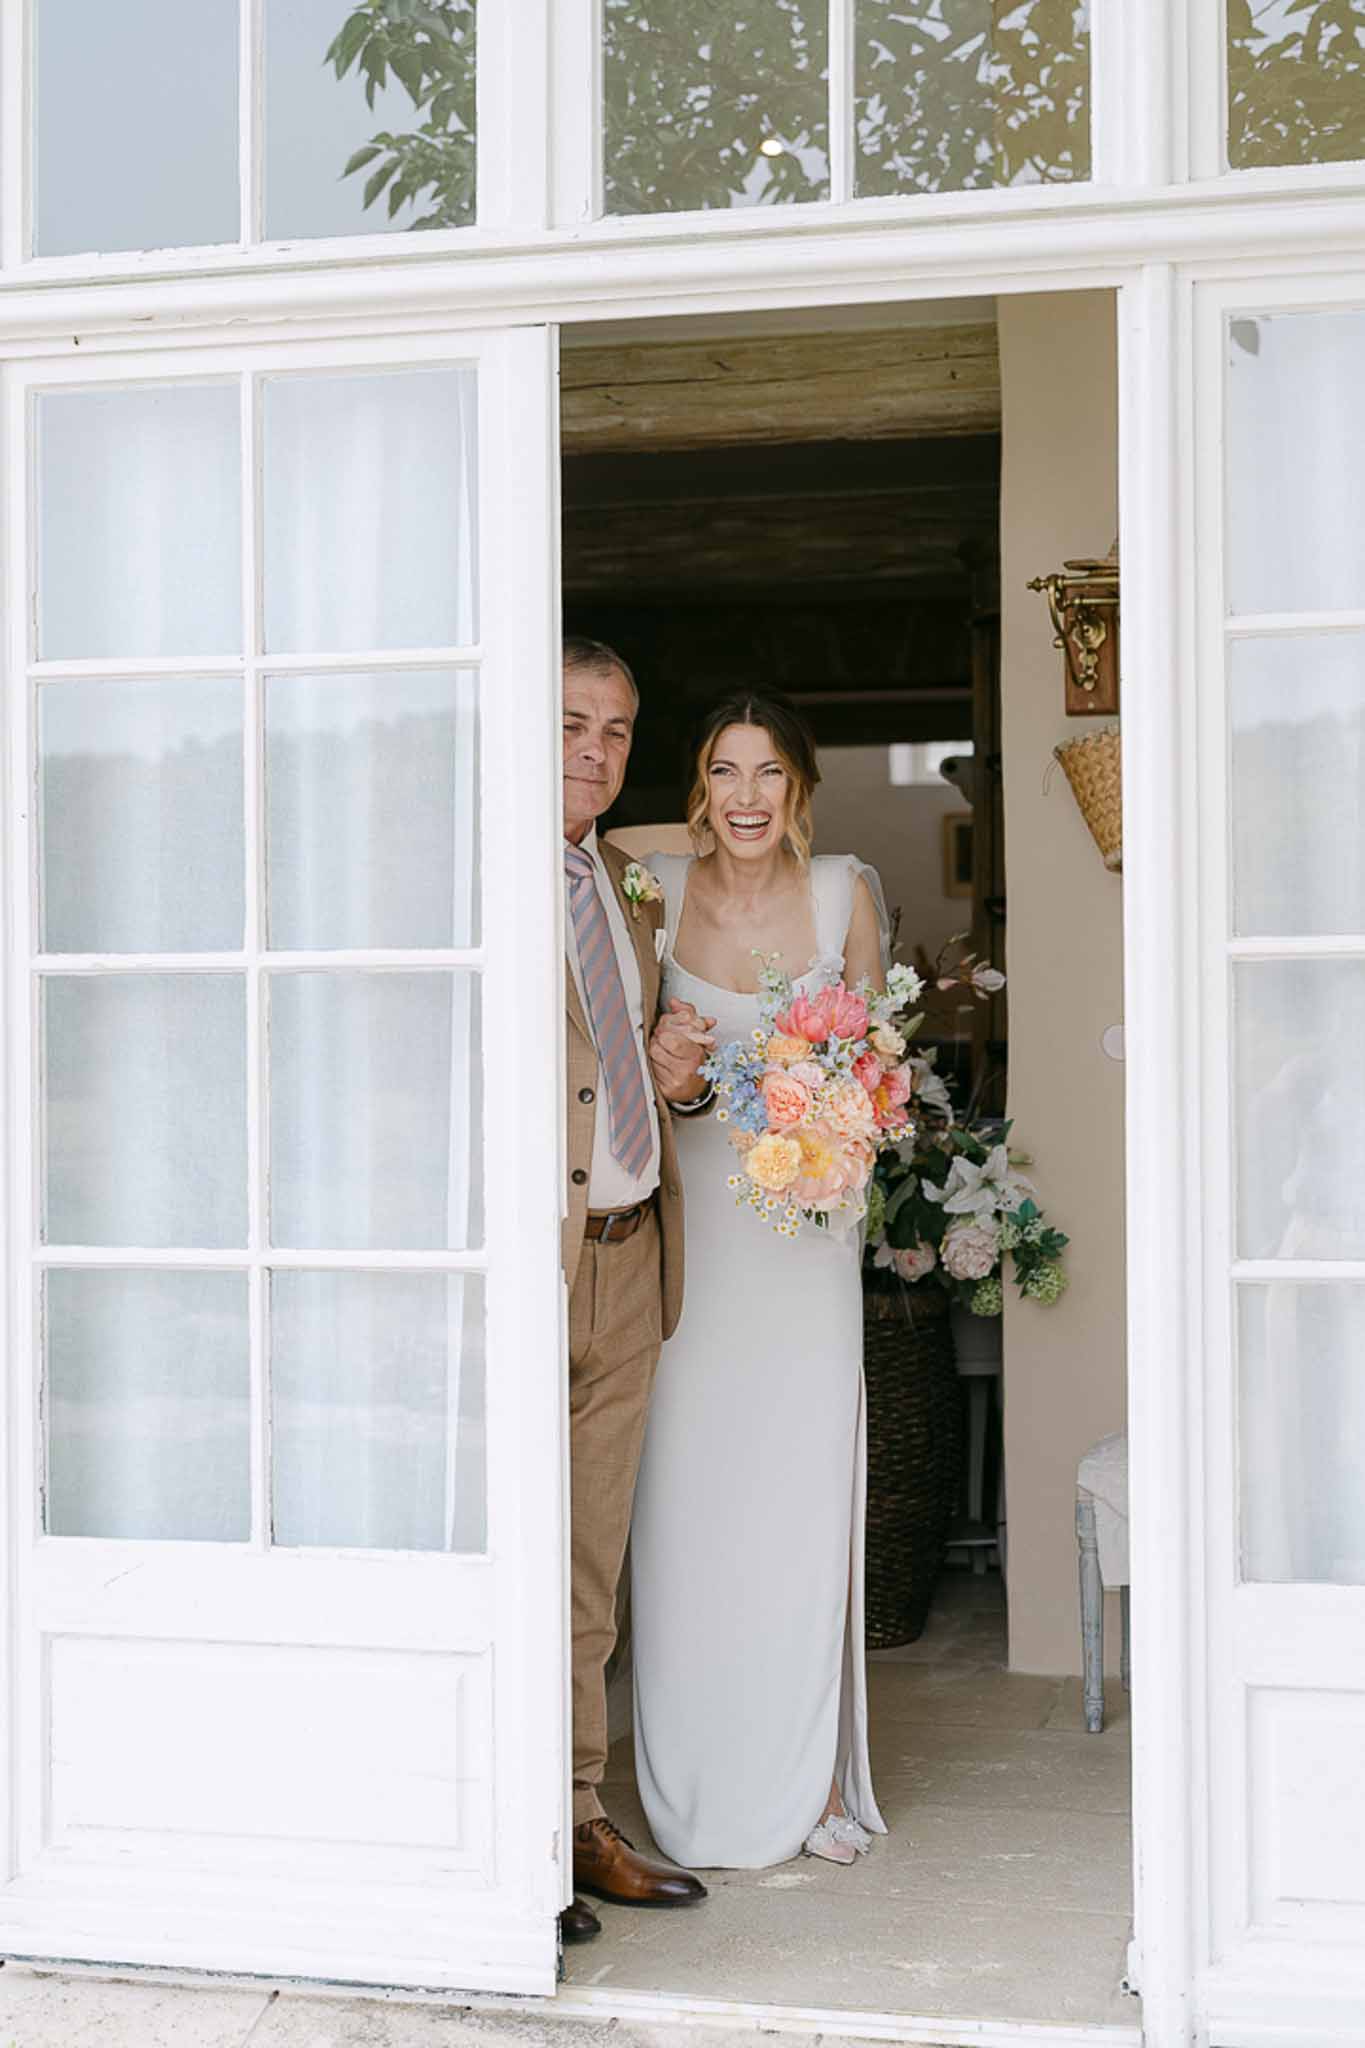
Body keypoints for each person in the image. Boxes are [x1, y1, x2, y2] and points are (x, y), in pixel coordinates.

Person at [630, 691, 889, 1870]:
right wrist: (676, 1075)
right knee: (689, 1509)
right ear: (698, 784)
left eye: (767, 772)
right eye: (723, 770)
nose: (744, 795)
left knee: (795, 1507)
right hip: (697, 1248)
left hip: (803, 1248)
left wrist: (838, 1112)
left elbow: (881, 1075)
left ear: (799, 788)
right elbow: (632, 1063)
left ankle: (810, 1780)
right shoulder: (653, 889)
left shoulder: (847, 893)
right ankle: (691, 1781)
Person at [559, 636, 718, 1944]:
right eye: (571, 723)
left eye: (614, 730)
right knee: (506, 1559)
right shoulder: (466, 871)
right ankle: (511, 1835)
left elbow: (642, 1070)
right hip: (519, 1274)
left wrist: (677, 1076)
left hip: (630, 1264)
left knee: (587, 1568)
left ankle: (578, 1819)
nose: (593, 751)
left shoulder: (627, 883)